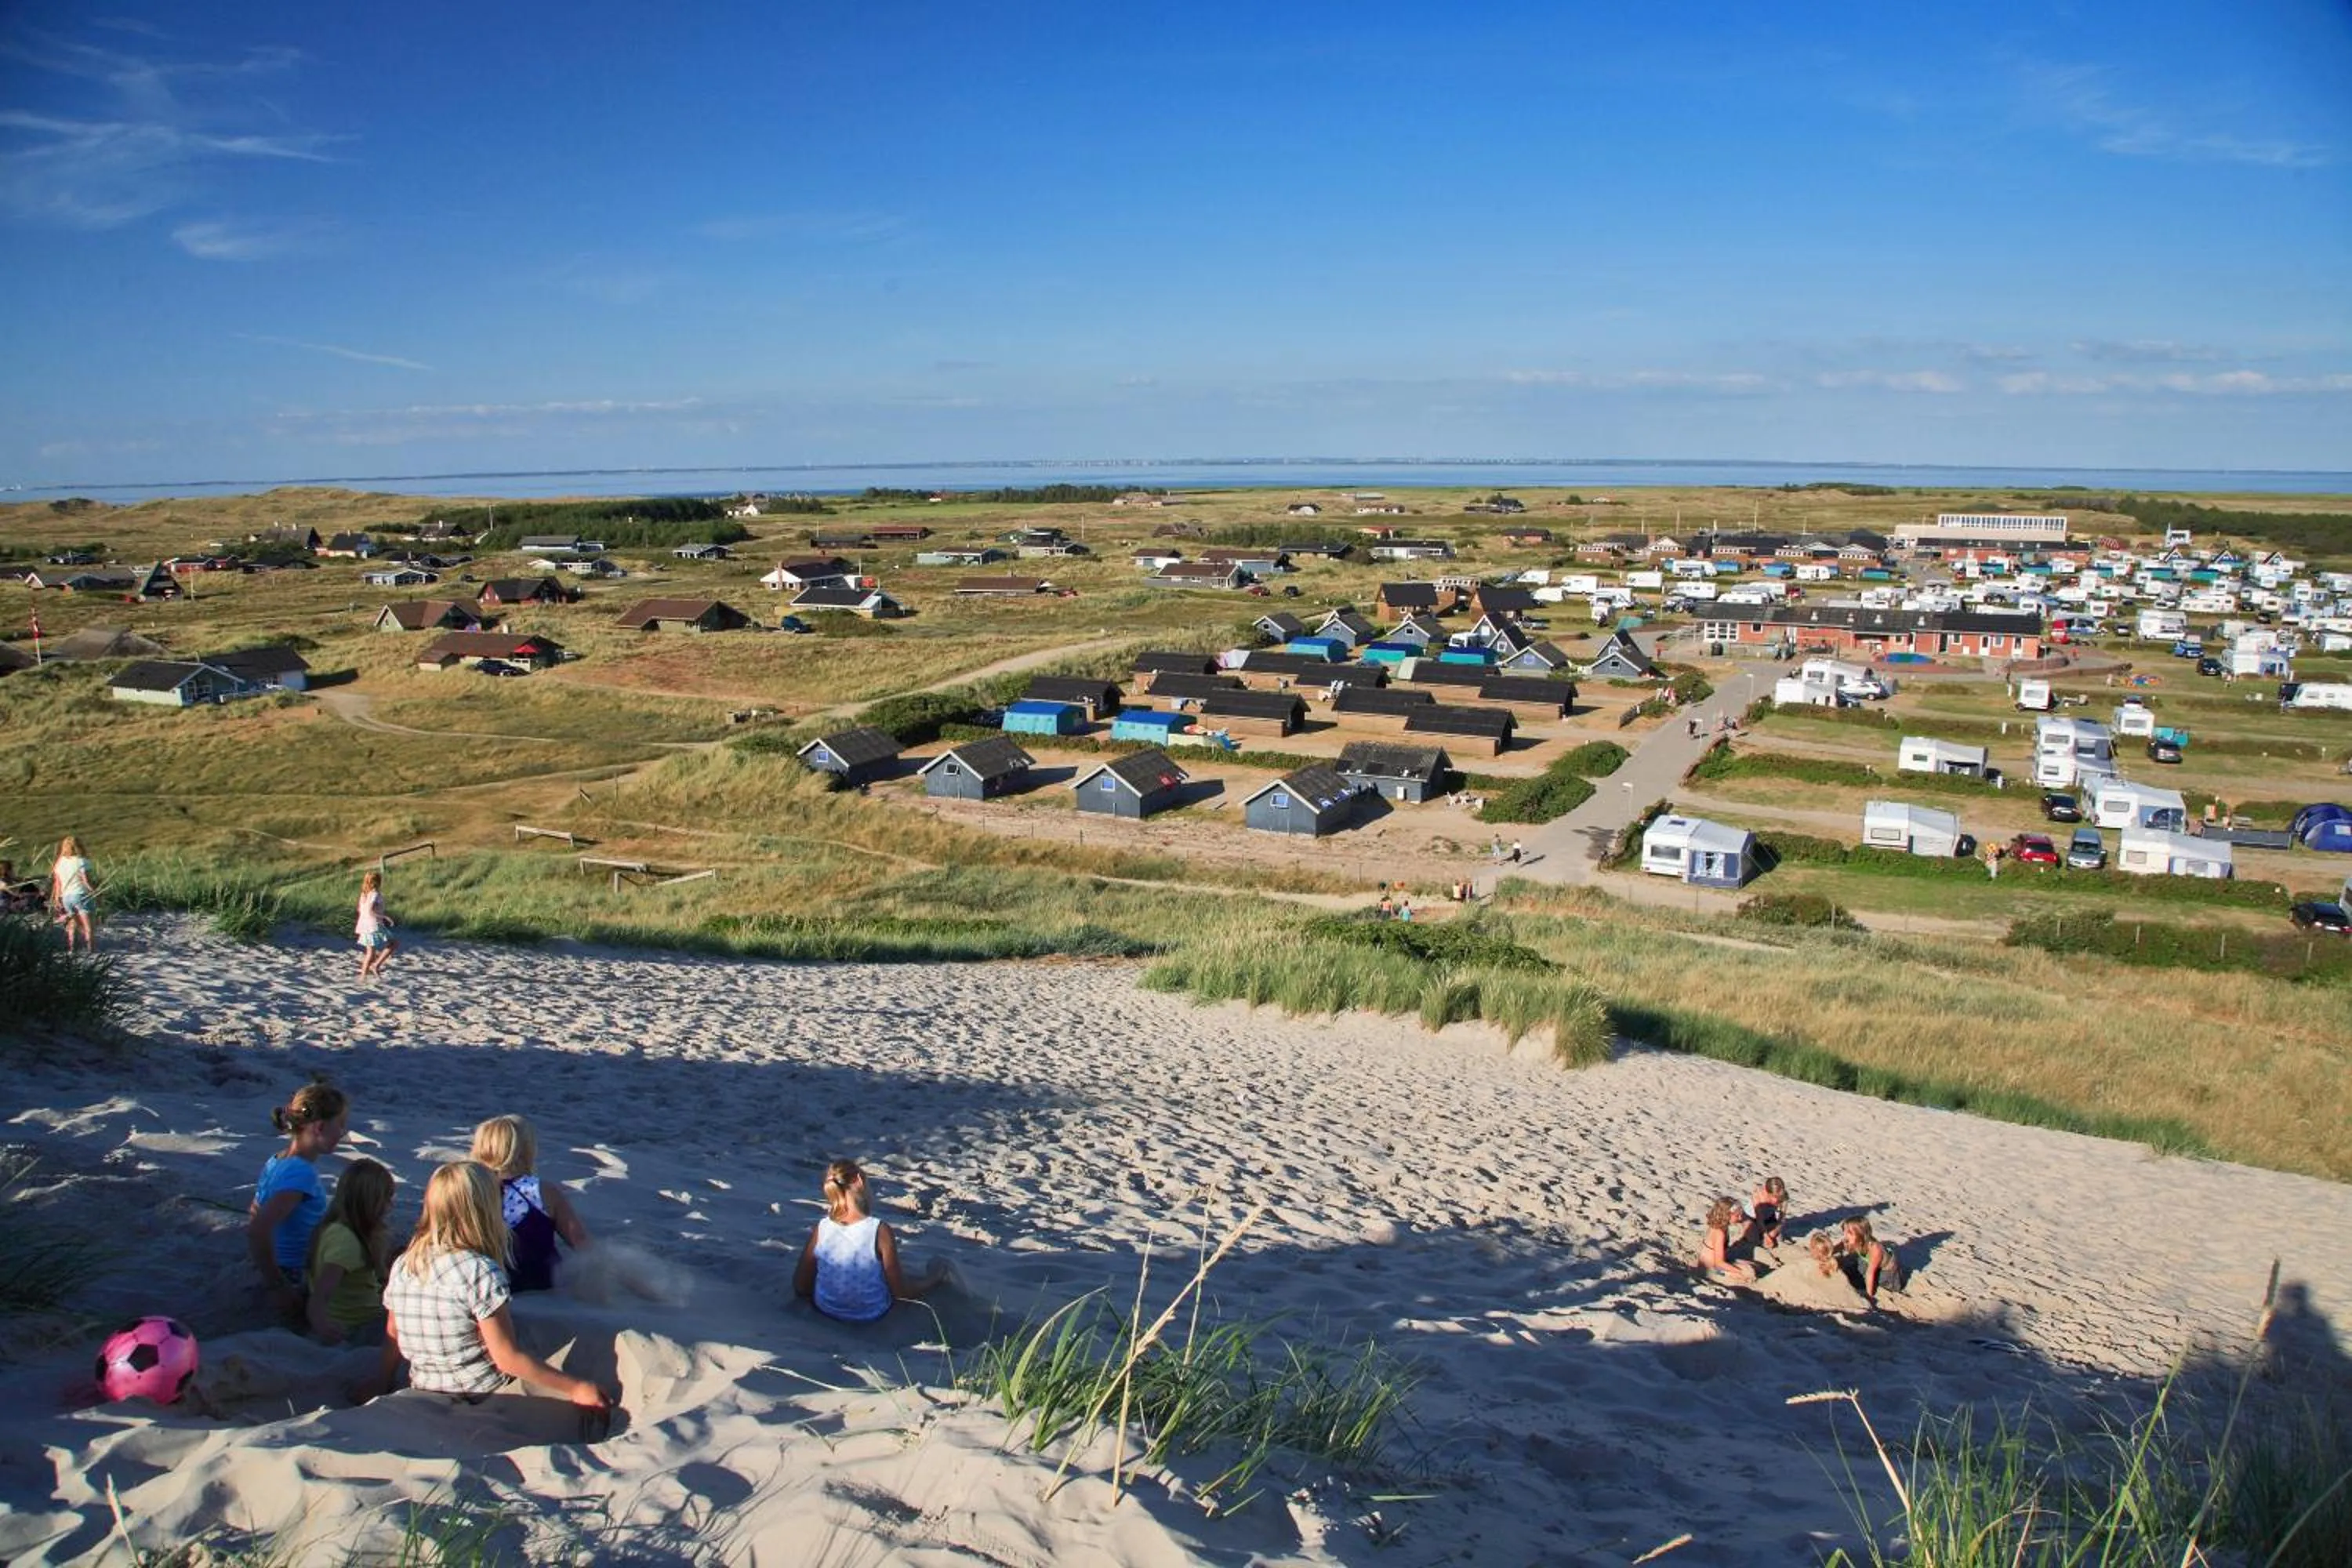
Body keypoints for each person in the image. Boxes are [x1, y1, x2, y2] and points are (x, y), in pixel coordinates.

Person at [383, 1162, 613, 1413]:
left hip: (425, 1385)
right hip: (481, 1393)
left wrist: (381, 1379)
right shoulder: (480, 1270)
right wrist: (576, 1388)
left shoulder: (406, 1262)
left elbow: (393, 1333)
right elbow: (507, 1358)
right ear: (485, 1211)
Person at [793, 1160, 945, 1323]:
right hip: (870, 1313)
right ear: (858, 1181)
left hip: (827, 1309)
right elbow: (901, 1293)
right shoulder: (878, 1230)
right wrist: (933, 1279)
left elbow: (801, 1284)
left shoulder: (822, 1228)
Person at [247, 1083, 350, 1323]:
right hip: (293, 1272)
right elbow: (258, 1229)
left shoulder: (278, 1160)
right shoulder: (300, 1173)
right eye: (340, 1126)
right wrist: (279, 1287)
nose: (343, 1133)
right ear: (320, 1127)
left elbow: (254, 1209)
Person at [469, 1114, 591, 1293]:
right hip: (537, 1281)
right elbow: (581, 1243)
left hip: (486, 1281)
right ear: (527, 1150)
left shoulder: (471, 1189)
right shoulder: (542, 1190)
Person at [307, 1157, 397, 1345]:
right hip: (359, 1325)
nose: (391, 1206)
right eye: (386, 1199)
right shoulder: (345, 1240)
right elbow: (320, 1297)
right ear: (369, 1202)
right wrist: (324, 1327)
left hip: (360, 1316)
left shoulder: (336, 1227)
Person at [1838, 1218, 1905, 1308]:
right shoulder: (1856, 1241)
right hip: (1868, 1264)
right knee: (1851, 1269)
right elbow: (1840, 1246)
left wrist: (1869, 1296)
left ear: (1861, 1234)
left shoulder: (1875, 1249)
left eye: (1849, 1233)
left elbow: (1870, 1273)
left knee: (1862, 1282)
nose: (1846, 1236)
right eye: (1845, 1232)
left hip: (1888, 1276)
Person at [51, 836, 97, 953]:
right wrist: (95, 891)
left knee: (72, 925)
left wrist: (57, 898)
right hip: (81, 895)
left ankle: (72, 948)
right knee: (88, 926)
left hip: (66, 897)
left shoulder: (59, 863)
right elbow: (85, 880)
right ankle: (90, 949)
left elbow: (58, 883)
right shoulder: (82, 861)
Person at [1697, 1196, 1757, 1283]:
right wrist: (1740, 1271)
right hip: (1710, 1270)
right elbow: (1719, 1263)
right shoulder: (1719, 1233)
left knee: (1752, 1266)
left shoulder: (1720, 1226)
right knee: (1749, 1273)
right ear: (1727, 1215)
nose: (1740, 1218)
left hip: (1714, 1263)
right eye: (1737, 1215)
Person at [355, 869, 400, 980]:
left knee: (370, 951)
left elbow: (360, 910)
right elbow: (371, 911)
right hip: (374, 925)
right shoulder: (375, 894)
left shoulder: (364, 894)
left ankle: (363, 975)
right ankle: (374, 966)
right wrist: (385, 917)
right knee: (393, 943)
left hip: (364, 925)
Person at [1743, 1175, 1788, 1250]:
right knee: (1754, 1239)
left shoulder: (1784, 1196)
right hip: (1751, 1217)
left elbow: (1782, 1219)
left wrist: (1776, 1230)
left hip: (1768, 1217)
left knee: (1774, 1236)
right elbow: (1759, 1217)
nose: (1777, 1201)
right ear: (1767, 1192)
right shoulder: (1758, 1194)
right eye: (1775, 1197)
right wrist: (1765, 1235)